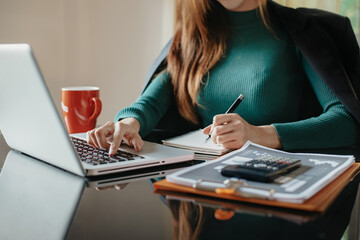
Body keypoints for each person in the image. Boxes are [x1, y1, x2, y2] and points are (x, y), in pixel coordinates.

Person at [88, 0, 360, 155]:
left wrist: (259, 135)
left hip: (272, 192)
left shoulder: (299, 32)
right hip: (199, 190)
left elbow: (346, 121)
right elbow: (150, 102)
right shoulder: (194, 35)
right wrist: (128, 123)